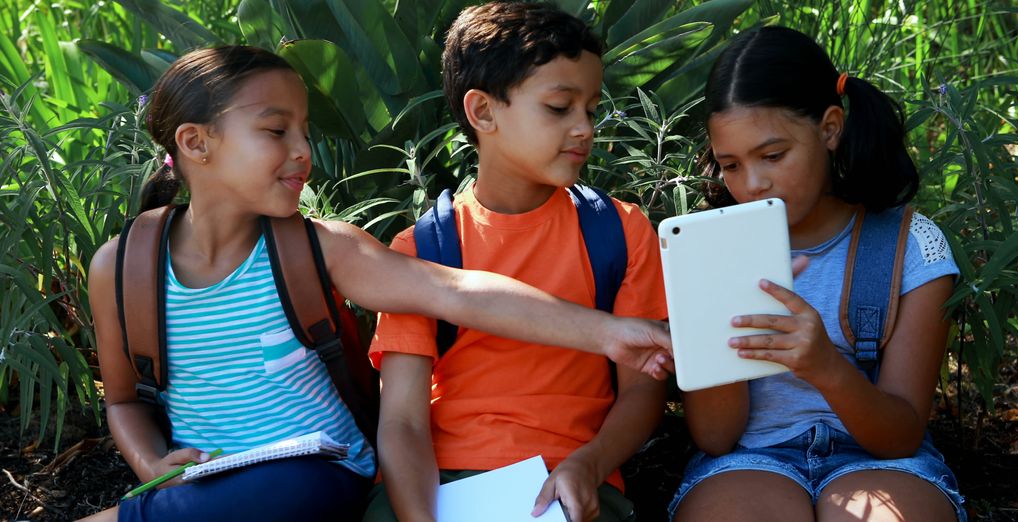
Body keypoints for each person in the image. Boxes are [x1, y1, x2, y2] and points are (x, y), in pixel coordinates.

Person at [79, 45, 674, 522]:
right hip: (204, 493)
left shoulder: (320, 248)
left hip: (319, 481)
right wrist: (153, 463)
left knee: (289, 489)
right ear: (194, 143)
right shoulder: (124, 269)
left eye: (304, 131)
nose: (302, 151)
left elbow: (456, 292)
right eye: (276, 131)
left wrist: (610, 334)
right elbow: (125, 400)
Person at [365, 1, 669, 522]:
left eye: (591, 109)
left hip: (568, 481)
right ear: (482, 111)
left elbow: (643, 391)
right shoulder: (423, 249)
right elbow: (403, 424)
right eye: (559, 107)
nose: (583, 128)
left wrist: (589, 465)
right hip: (437, 487)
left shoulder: (619, 232)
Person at [669, 25, 966, 521]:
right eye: (731, 165)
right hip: (748, 460)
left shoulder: (909, 247)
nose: (753, 183)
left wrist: (825, 365)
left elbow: (900, 434)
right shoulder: (709, 251)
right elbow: (717, 437)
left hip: (881, 460)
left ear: (830, 128)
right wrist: (714, 331)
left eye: (772, 155)